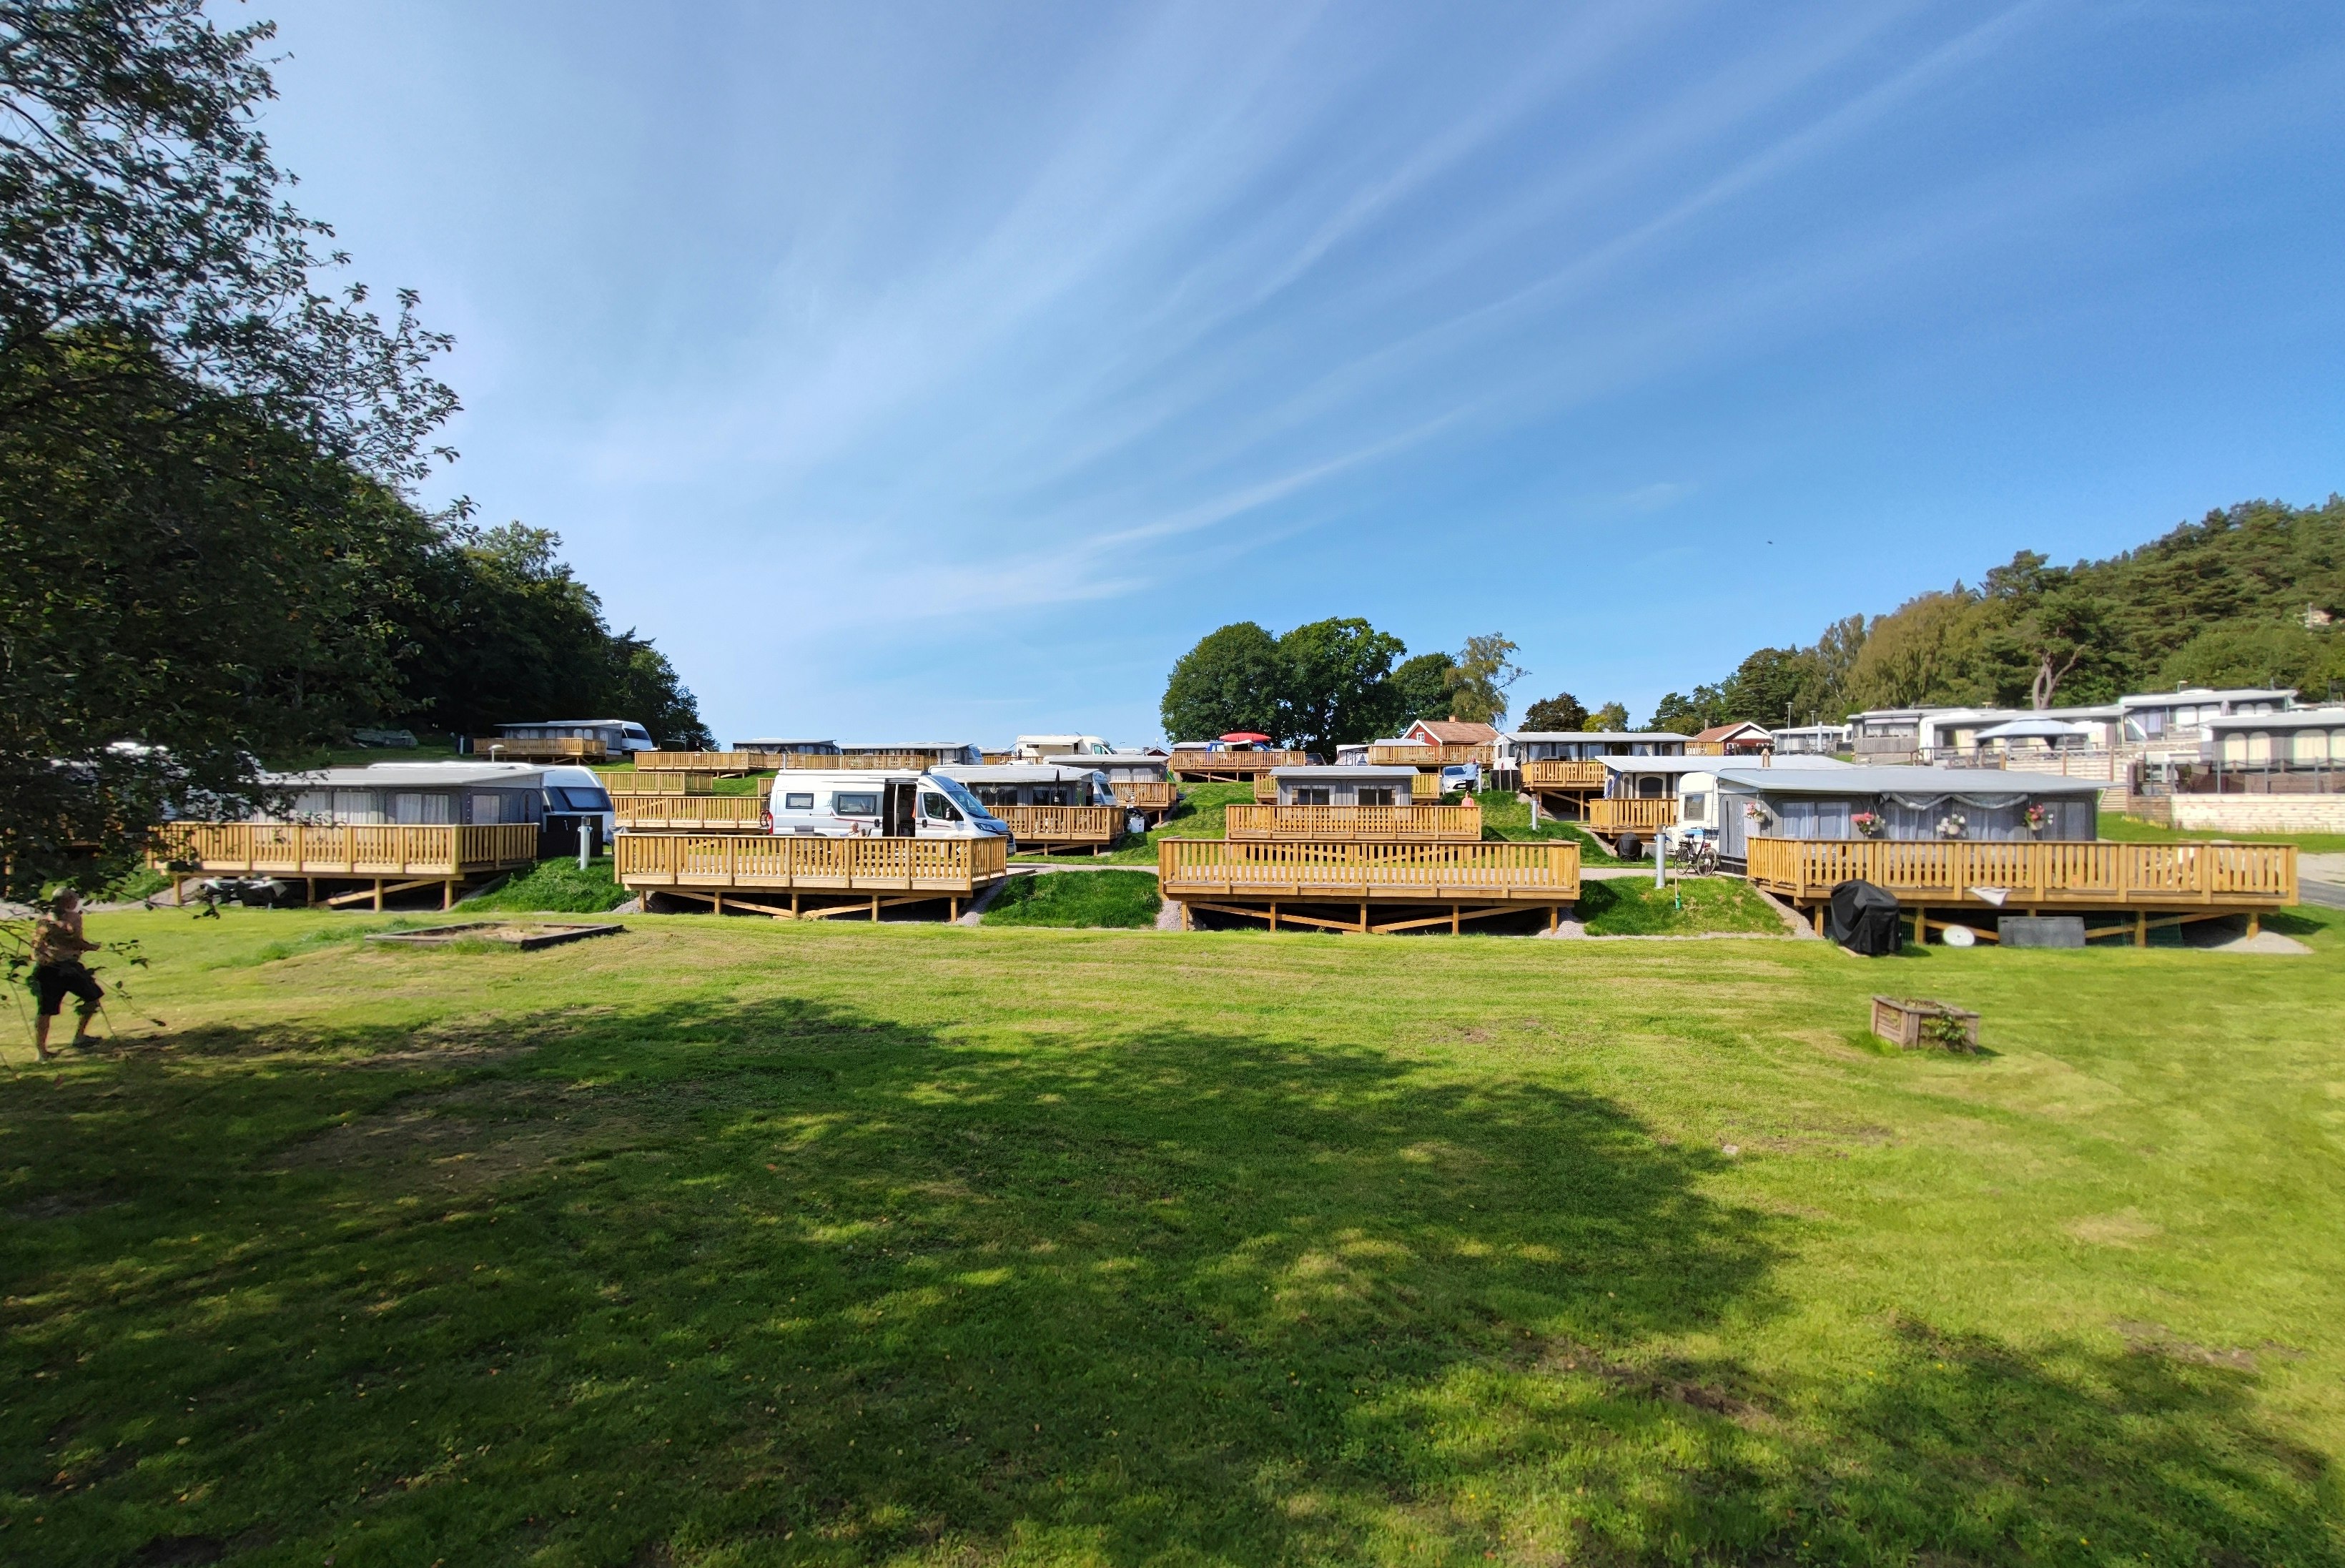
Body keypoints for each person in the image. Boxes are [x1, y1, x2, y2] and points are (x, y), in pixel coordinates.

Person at [30, 887, 102, 1060]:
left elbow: (37, 944)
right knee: (89, 999)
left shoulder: (44, 919)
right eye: (74, 899)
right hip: (63, 967)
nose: (76, 902)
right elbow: (74, 941)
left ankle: (45, 1050)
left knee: (48, 1009)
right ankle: (73, 1039)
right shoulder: (72, 918)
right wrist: (91, 947)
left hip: (52, 967)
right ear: (67, 900)